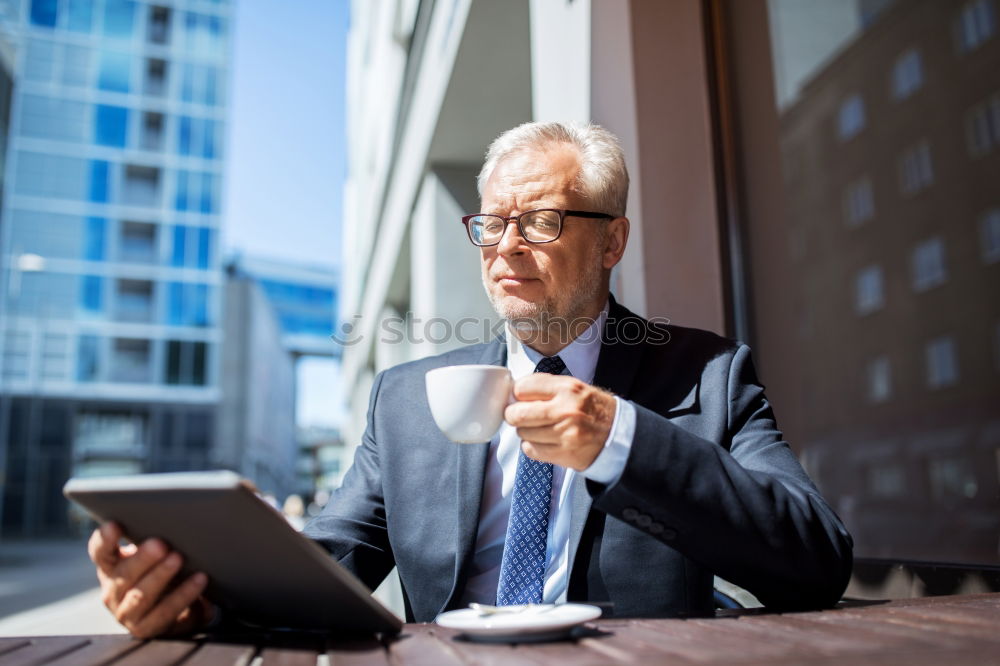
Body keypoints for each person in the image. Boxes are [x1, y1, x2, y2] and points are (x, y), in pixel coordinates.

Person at [88, 121, 853, 637]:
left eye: (542, 222)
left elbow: (814, 562)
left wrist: (620, 437)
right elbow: (333, 568)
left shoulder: (708, 376)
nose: (506, 247)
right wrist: (195, 595)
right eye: (492, 223)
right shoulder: (405, 399)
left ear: (612, 241)